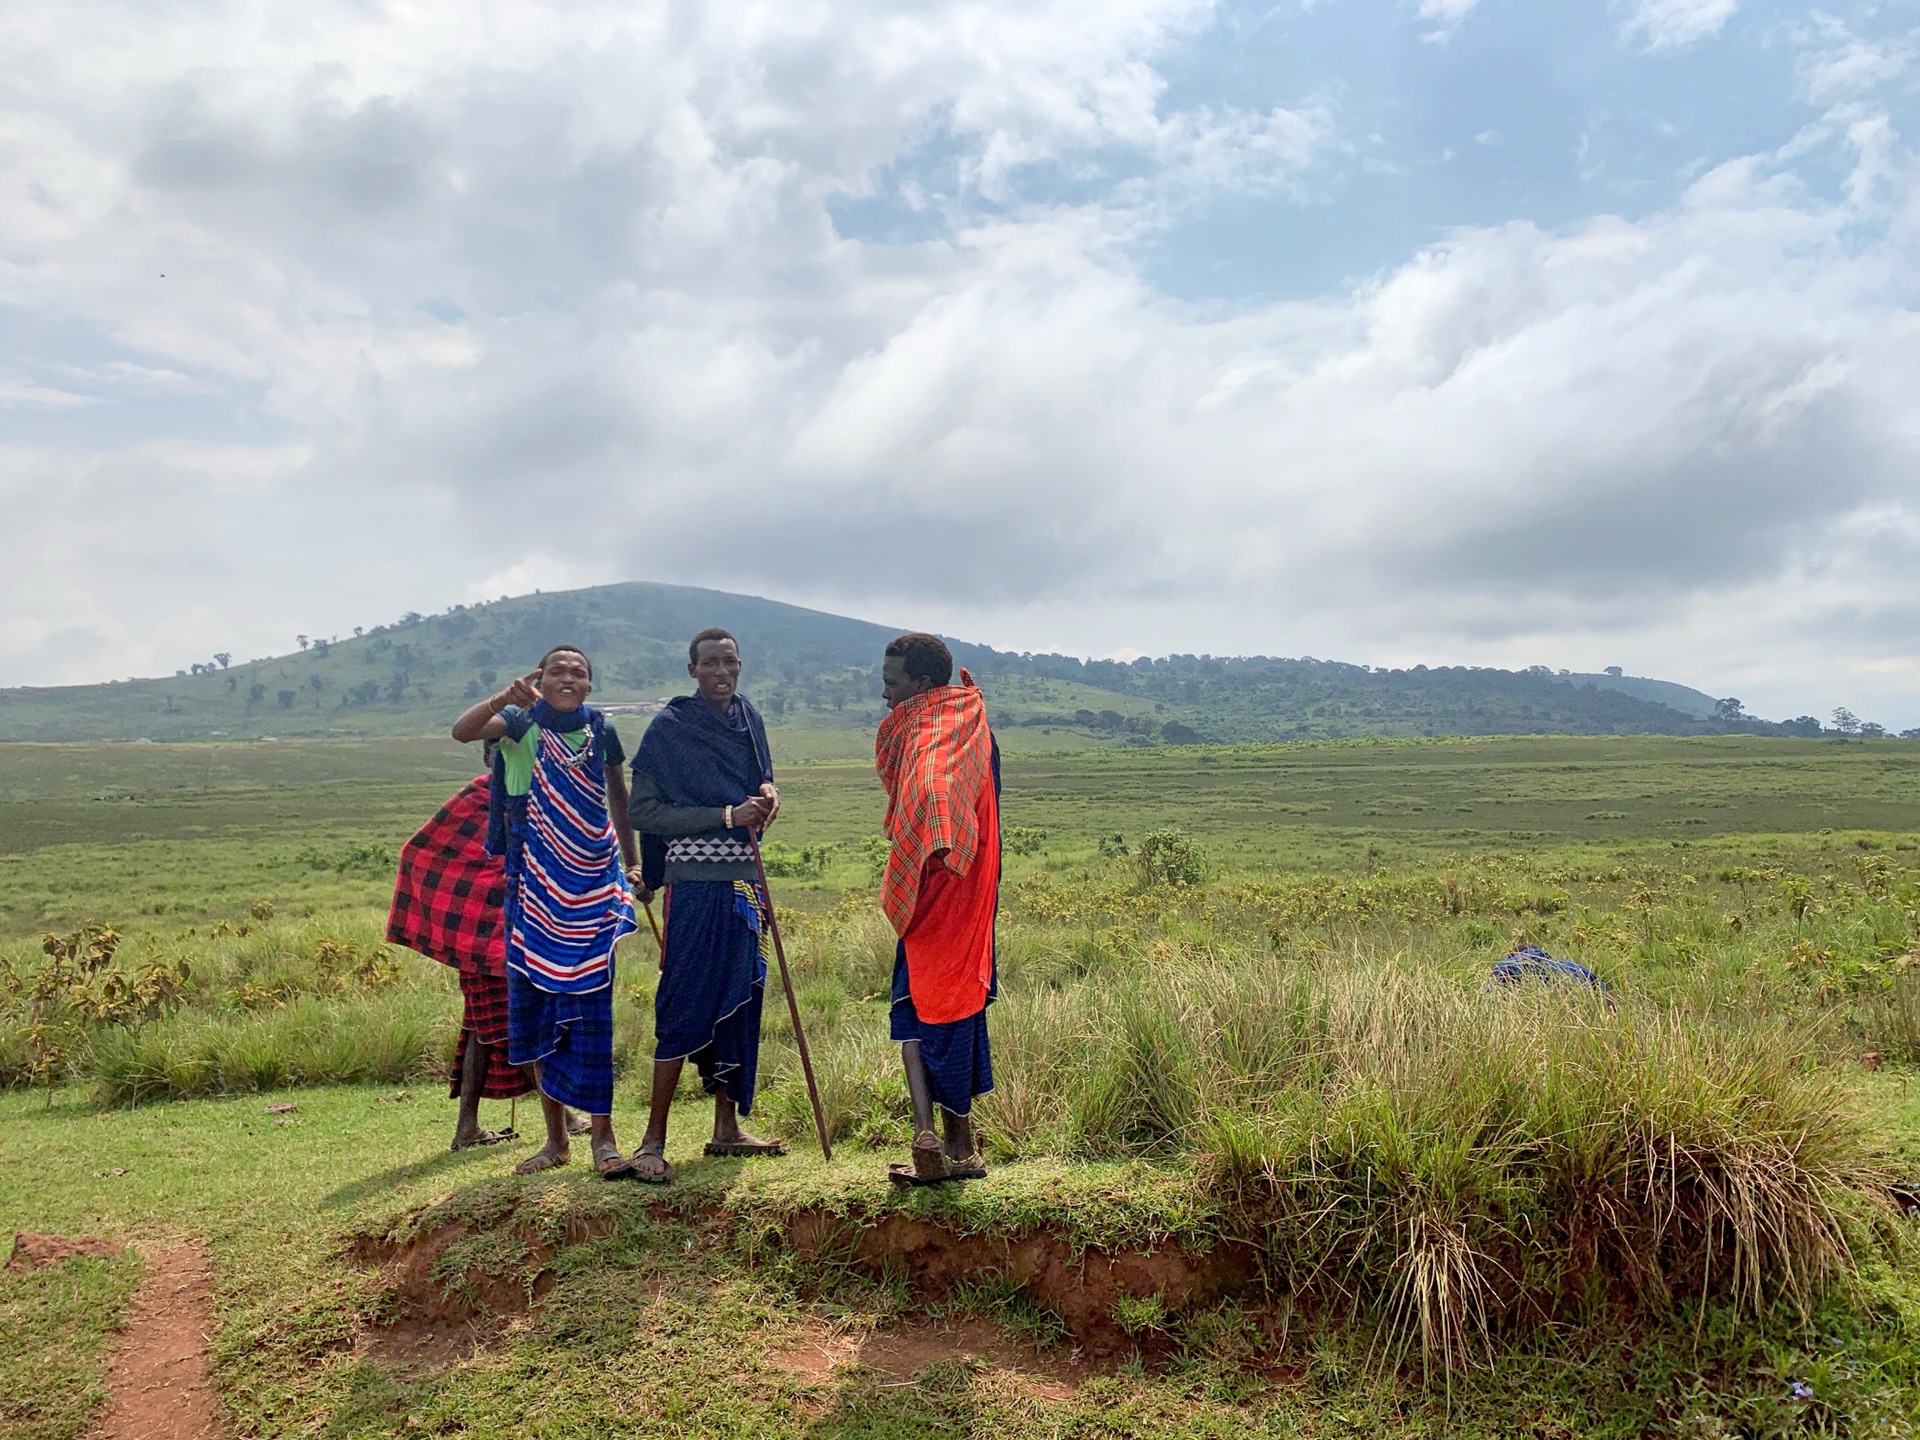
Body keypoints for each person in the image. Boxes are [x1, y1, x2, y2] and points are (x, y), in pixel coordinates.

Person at [451, 645, 641, 1177]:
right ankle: (555, 1140)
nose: (568, 677)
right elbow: (462, 732)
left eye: (578, 671)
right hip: (532, 892)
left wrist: (633, 863)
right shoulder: (517, 720)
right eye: (557, 669)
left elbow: (616, 794)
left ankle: (603, 1140)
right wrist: (505, 696)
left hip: (593, 890)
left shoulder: (600, 731)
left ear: (589, 684)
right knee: (534, 1012)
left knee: (593, 1015)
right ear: (539, 678)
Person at [625, 628, 788, 1183]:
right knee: (684, 998)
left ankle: (726, 1130)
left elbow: (761, 780)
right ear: (692, 669)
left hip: (745, 880)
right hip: (694, 884)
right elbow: (643, 811)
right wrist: (724, 815)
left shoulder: (749, 718)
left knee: (743, 997)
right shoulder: (669, 729)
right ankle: (652, 1140)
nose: (722, 671)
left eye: (731, 661)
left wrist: (768, 798)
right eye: (711, 662)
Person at [875, 632, 999, 1184]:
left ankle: (940, 1140)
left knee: (926, 1011)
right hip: (951, 894)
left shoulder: (937, 735)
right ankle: (950, 1144)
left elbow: (936, 796)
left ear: (922, 685)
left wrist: (933, 839)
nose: (885, 696)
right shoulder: (967, 724)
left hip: (946, 888)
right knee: (941, 1011)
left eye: (891, 684)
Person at [385, 768, 534, 1150]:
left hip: (518, 931)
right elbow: (418, 851)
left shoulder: (531, 795)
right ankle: (561, 1117)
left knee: (482, 1030)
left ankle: (467, 1128)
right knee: (506, 1024)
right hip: (478, 935)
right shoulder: (478, 798)